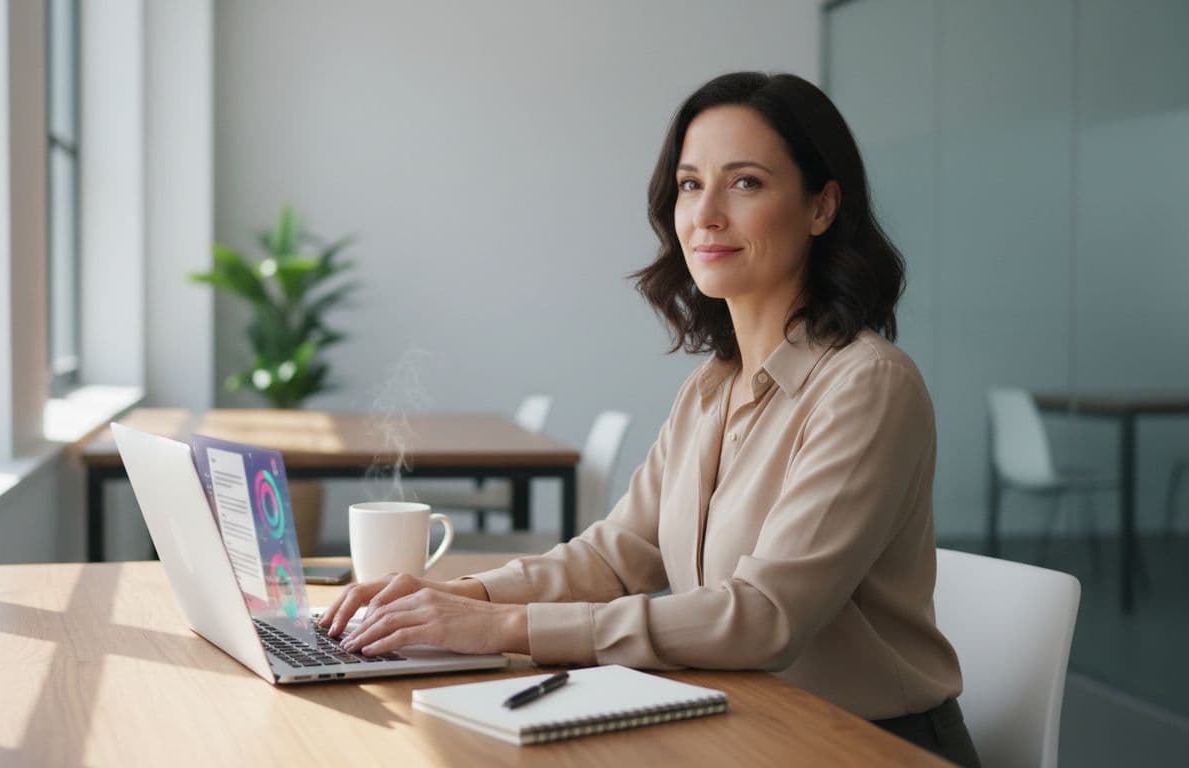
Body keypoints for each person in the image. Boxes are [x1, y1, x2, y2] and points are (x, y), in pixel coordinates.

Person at [321, 72, 980, 765]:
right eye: (691, 184)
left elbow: (765, 618)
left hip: (862, 744)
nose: (706, 215)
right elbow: (616, 555)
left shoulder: (867, 385)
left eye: (746, 182)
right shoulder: (710, 388)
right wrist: (453, 596)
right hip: (742, 724)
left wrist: (501, 627)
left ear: (822, 207)